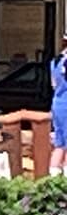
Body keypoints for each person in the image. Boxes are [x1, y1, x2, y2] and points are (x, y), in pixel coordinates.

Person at [50, 32, 67, 175]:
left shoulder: (56, 60)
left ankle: (53, 180)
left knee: (59, 143)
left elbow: (54, 84)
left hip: (57, 102)